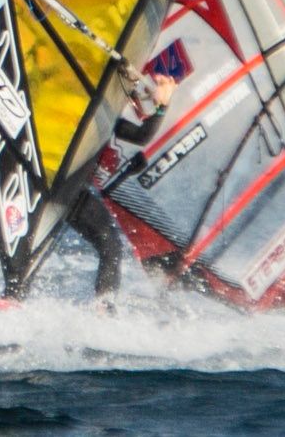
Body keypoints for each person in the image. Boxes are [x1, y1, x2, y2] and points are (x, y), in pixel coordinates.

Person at [35, 69, 178, 300]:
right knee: (110, 245)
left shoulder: (100, 112)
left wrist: (160, 105)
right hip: (59, 185)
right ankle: (103, 308)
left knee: (110, 245)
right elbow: (142, 135)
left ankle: (103, 306)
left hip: (67, 188)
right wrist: (162, 105)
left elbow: (141, 136)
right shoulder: (85, 105)